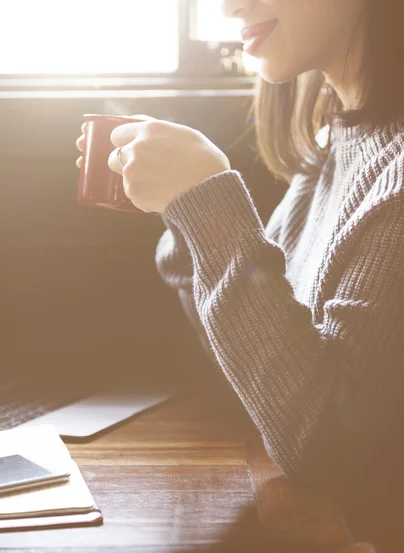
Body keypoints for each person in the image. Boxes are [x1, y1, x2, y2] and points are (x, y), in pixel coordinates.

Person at [76, 0, 404, 527]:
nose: (230, 7)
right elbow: (261, 373)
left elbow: (336, 453)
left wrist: (208, 206)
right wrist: (186, 213)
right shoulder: (336, 142)